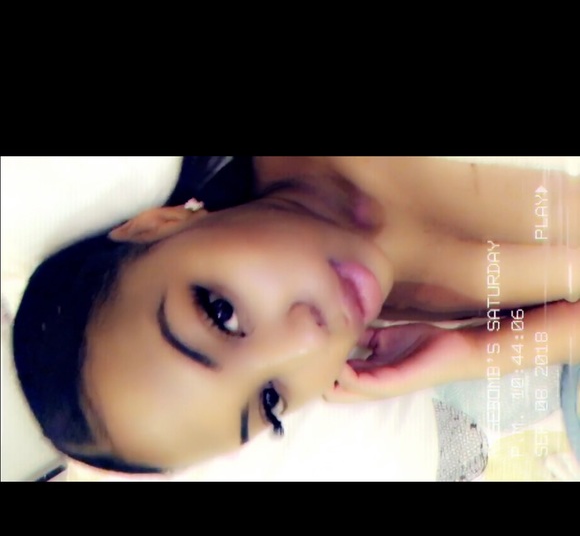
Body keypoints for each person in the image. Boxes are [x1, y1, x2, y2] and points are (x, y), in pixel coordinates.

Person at [12, 156, 580, 474]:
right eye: (270, 400)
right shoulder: (432, 308)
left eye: (221, 313)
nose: (307, 340)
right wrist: (473, 353)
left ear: (158, 225)